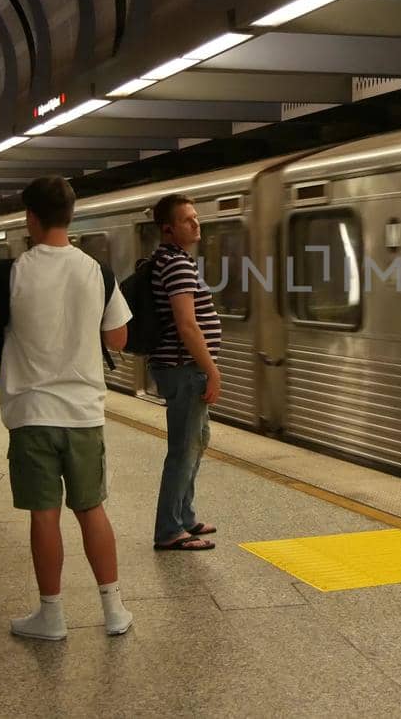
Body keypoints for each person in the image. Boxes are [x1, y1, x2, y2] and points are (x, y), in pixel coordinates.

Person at [0, 176, 135, 641]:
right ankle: (114, 610)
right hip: (84, 413)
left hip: (30, 412)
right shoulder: (96, 271)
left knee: (45, 514)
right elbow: (118, 337)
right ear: (71, 216)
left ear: (30, 218)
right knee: (91, 509)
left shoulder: (9, 272)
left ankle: (52, 616)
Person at [146, 193, 222, 552]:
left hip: (183, 368)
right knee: (183, 449)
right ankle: (169, 530)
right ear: (168, 228)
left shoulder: (172, 259)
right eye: (187, 220)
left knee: (196, 442)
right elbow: (187, 325)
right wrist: (211, 370)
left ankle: (185, 516)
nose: (196, 223)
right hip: (185, 369)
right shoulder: (176, 265)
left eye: (196, 217)